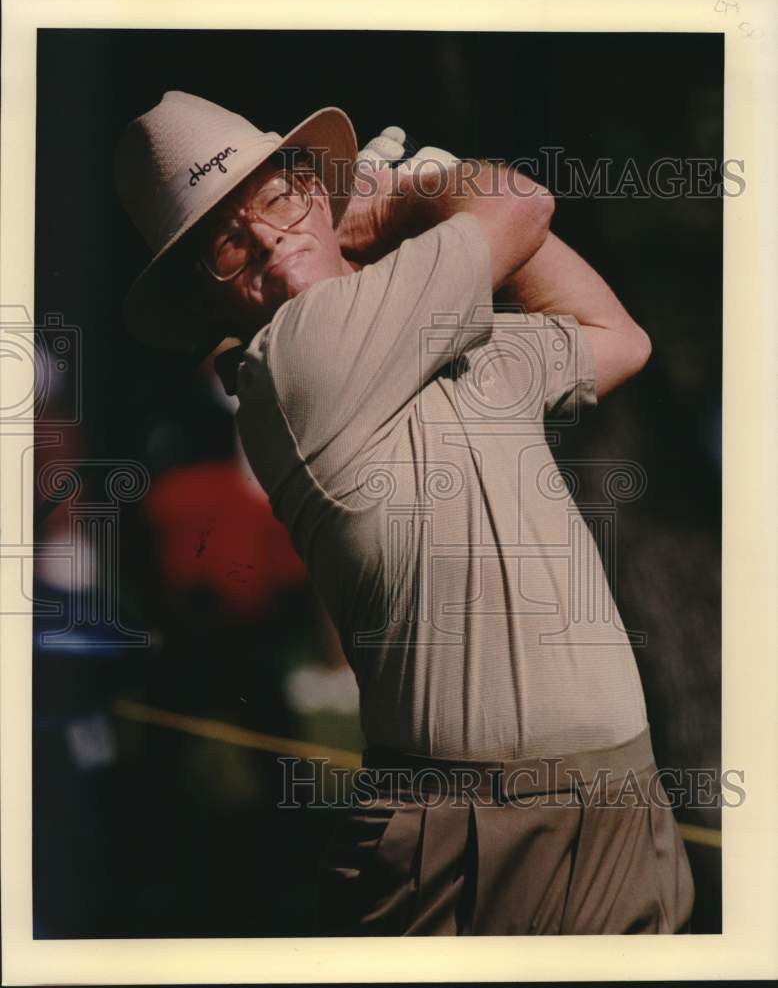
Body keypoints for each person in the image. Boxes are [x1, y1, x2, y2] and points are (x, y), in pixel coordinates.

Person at [115, 90, 694, 935]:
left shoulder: (450, 348)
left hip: (623, 791)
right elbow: (519, 204)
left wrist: (426, 212)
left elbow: (614, 336)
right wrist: (407, 198)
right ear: (207, 298)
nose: (268, 241)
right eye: (223, 245)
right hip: (473, 827)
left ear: (314, 189)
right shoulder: (295, 359)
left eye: (274, 198)